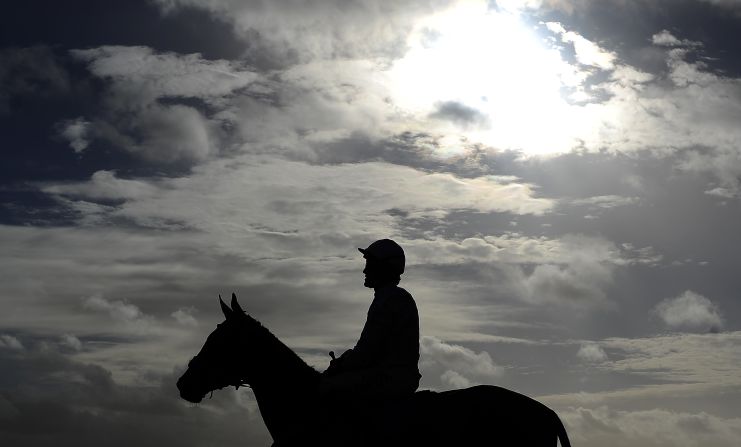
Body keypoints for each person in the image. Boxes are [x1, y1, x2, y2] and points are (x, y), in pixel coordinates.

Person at [320, 239, 421, 406]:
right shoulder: (392, 298)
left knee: (326, 388)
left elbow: (367, 352)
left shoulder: (389, 300)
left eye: (370, 264)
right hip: (395, 376)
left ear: (384, 268)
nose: (365, 270)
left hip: (390, 379)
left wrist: (342, 364)